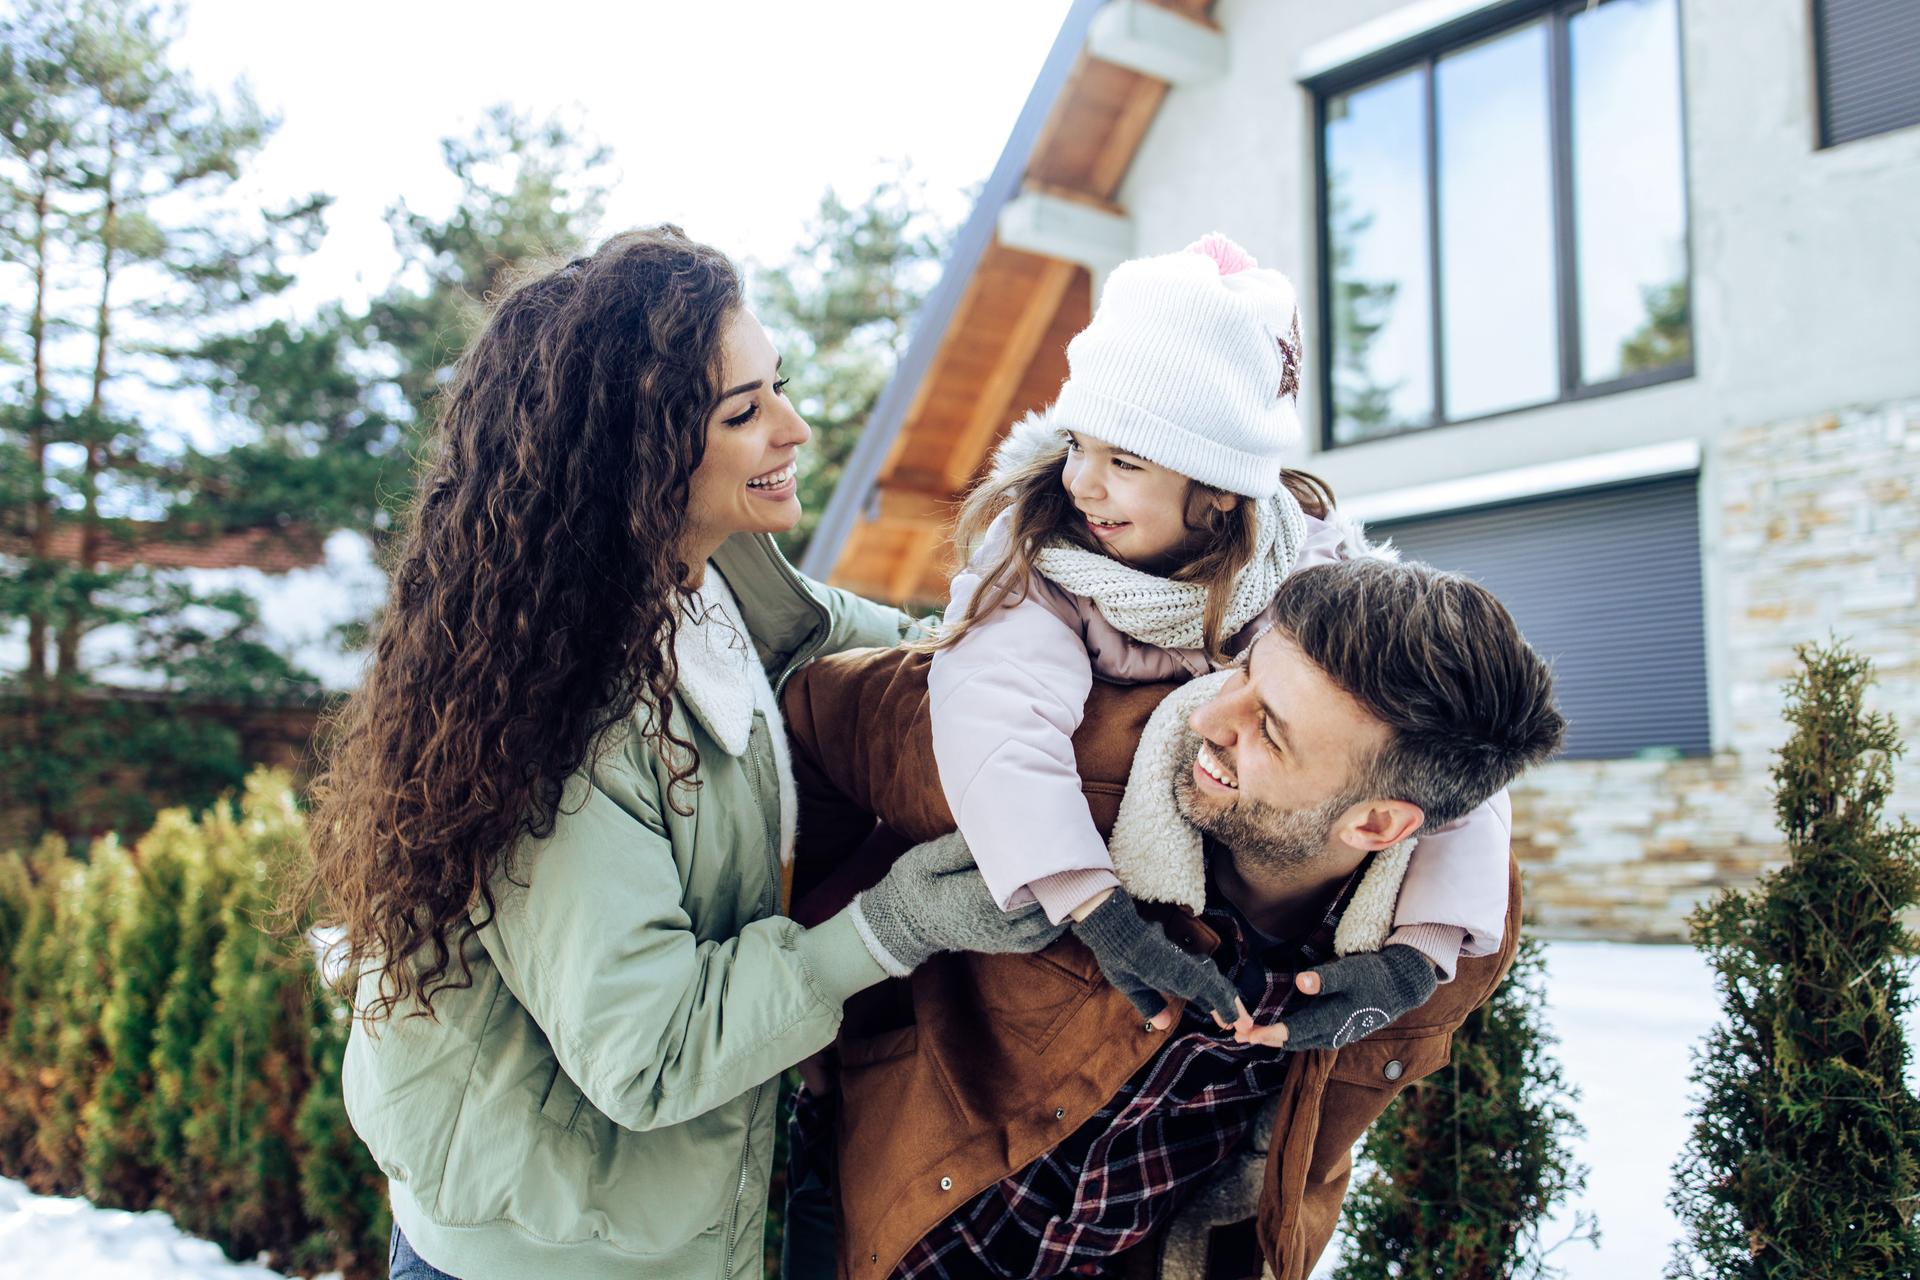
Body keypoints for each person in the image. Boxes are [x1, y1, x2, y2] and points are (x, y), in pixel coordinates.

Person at [298, 226, 1067, 1280]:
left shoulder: (715, 589)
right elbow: (646, 1046)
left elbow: (894, 641)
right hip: (544, 1257)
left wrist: (1078, 622)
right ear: (639, 453)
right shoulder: (565, 708)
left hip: (649, 1227)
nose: (794, 428)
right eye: (744, 412)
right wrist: (892, 925)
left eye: (779, 388)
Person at [776, 554, 1566, 1279]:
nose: (1210, 720)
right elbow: (808, 717)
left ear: (1377, 828)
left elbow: (1303, 1154)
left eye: (1271, 734)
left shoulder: (1450, 939)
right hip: (899, 1233)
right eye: (1245, 673)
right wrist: (834, 973)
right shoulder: (1050, 769)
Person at [919, 233, 1513, 1041]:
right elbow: (991, 712)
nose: (1081, 483)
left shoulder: (1312, 567)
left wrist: (1421, 948)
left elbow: (1452, 742)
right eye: (1075, 444)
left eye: (1124, 461)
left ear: (1223, 488)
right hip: (1054, 971)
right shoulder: (1036, 558)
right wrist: (1090, 900)